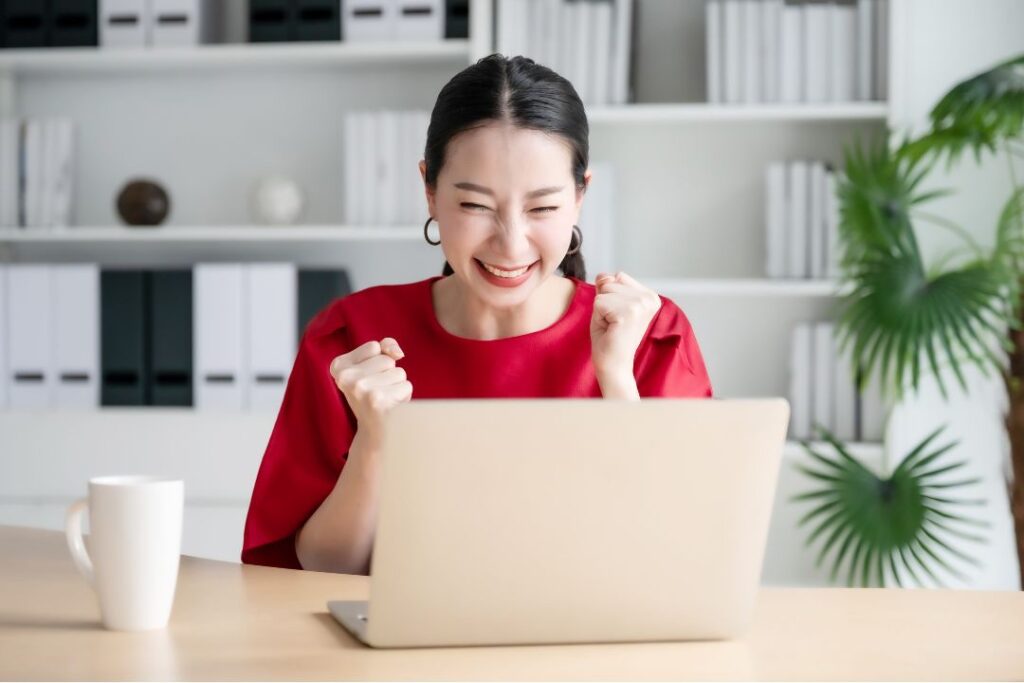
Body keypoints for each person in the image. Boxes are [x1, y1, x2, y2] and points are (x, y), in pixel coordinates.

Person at [242, 54, 713, 575]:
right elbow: (315, 571)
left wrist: (617, 385)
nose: (510, 245)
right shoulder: (353, 337)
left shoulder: (649, 335)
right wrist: (375, 443)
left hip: (594, 650)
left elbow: (683, 556)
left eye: (542, 208)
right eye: (475, 206)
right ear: (430, 191)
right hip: (400, 651)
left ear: (581, 197)